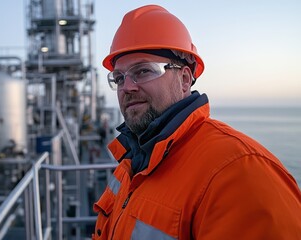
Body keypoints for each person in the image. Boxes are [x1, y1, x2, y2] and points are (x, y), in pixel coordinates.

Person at [92, 4, 301, 240]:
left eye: (143, 71)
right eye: (119, 78)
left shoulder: (239, 172)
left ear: (184, 79)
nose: (127, 87)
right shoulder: (132, 163)